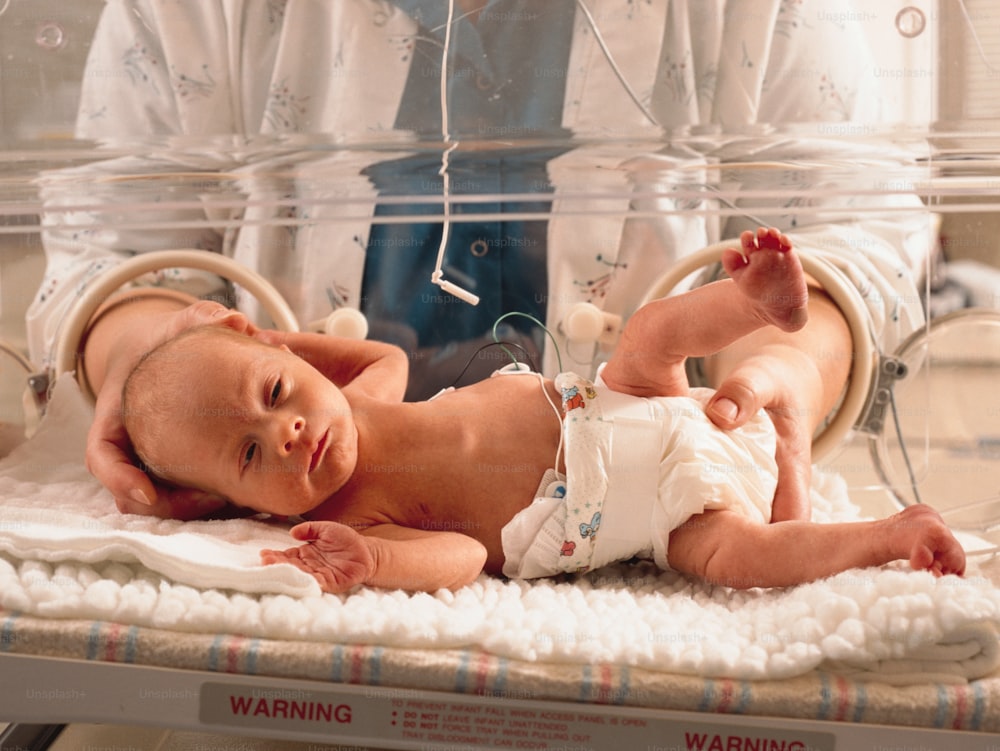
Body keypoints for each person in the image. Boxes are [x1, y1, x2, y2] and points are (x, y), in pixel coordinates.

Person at [31, 0, 932, 523]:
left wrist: (782, 364)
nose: (294, 425)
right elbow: (115, 244)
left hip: (661, 464)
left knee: (685, 393)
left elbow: (859, 226)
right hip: (350, 523)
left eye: (276, 406)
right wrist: (149, 361)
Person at [118, 229, 966, 593]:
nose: (288, 432)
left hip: (618, 399)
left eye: (274, 395)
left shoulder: (363, 393)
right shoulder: (350, 506)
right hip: (647, 511)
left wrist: (274, 341)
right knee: (741, 557)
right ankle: (883, 537)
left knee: (650, 335)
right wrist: (372, 561)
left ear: (292, 361)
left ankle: (754, 305)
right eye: (250, 457)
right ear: (246, 509)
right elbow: (456, 556)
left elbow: (384, 354)